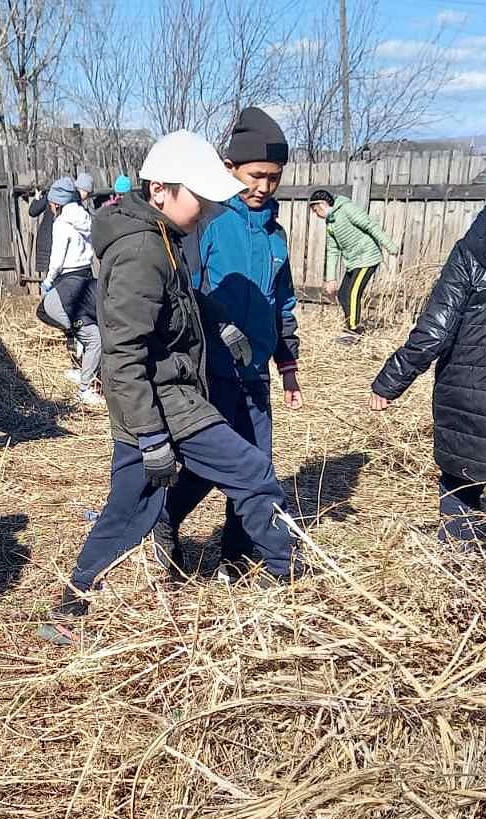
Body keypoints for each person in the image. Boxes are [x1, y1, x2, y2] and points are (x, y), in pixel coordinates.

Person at [38, 131, 300, 645]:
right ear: (159, 189)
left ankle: (71, 604)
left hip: (163, 401)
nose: (206, 209)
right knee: (252, 471)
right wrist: (151, 436)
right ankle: (288, 575)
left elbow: (178, 300)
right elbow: (122, 353)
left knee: (129, 507)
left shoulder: (161, 236)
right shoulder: (142, 249)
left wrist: (219, 320)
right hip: (162, 404)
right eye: (198, 197)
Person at [154, 107, 303, 580]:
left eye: (273, 178)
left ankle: (234, 558)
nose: (264, 186)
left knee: (258, 466)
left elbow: (282, 301)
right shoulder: (209, 223)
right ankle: (164, 519)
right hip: (213, 370)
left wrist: (287, 362)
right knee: (209, 465)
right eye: (256, 175)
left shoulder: (276, 235)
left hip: (255, 372)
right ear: (230, 168)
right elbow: (184, 292)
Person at [370, 182, 486, 545]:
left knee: (461, 482)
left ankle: (457, 559)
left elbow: (434, 332)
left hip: (469, 396)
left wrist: (389, 382)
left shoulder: (471, 250)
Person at [37, 177, 103, 406]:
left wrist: (48, 280)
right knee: (87, 325)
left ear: (56, 203)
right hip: (85, 272)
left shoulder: (62, 223)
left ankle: (81, 373)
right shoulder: (85, 217)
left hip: (67, 277)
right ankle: (86, 369)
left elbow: (57, 259)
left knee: (76, 328)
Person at [309, 188, 399, 342]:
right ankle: (350, 325)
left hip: (367, 257)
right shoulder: (330, 223)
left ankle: (353, 332)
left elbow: (370, 225)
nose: (315, 214)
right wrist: (330, 278)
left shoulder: (347, 209)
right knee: (344, 294)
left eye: (315, 210)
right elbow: (332, 250)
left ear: (322, 204)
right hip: (353, 261)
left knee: (353, 293)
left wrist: (390, 246)